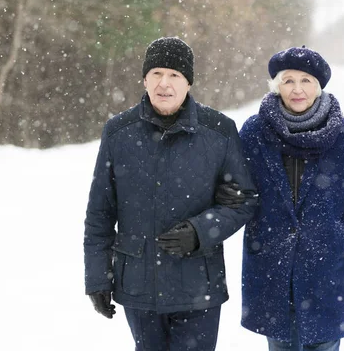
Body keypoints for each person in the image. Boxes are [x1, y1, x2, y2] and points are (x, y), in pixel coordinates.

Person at [84, 36, 257, 351]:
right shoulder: (118, 132)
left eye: (175, 75)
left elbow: (243, 200)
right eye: (156, 74)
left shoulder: (218, 131)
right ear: (144, 79)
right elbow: (100, 213)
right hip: (138, 284)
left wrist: (200, 231)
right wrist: (97, 278)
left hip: (198, 283)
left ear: (188, 83)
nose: (164, 84)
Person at [238, 46, 344, 351]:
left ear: (319, 86)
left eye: (307, 80)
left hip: (326, 277)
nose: (297, 89)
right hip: (272, 274)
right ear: (277, 86)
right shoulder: (254, 132)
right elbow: (235, 192)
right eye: (289, 80)